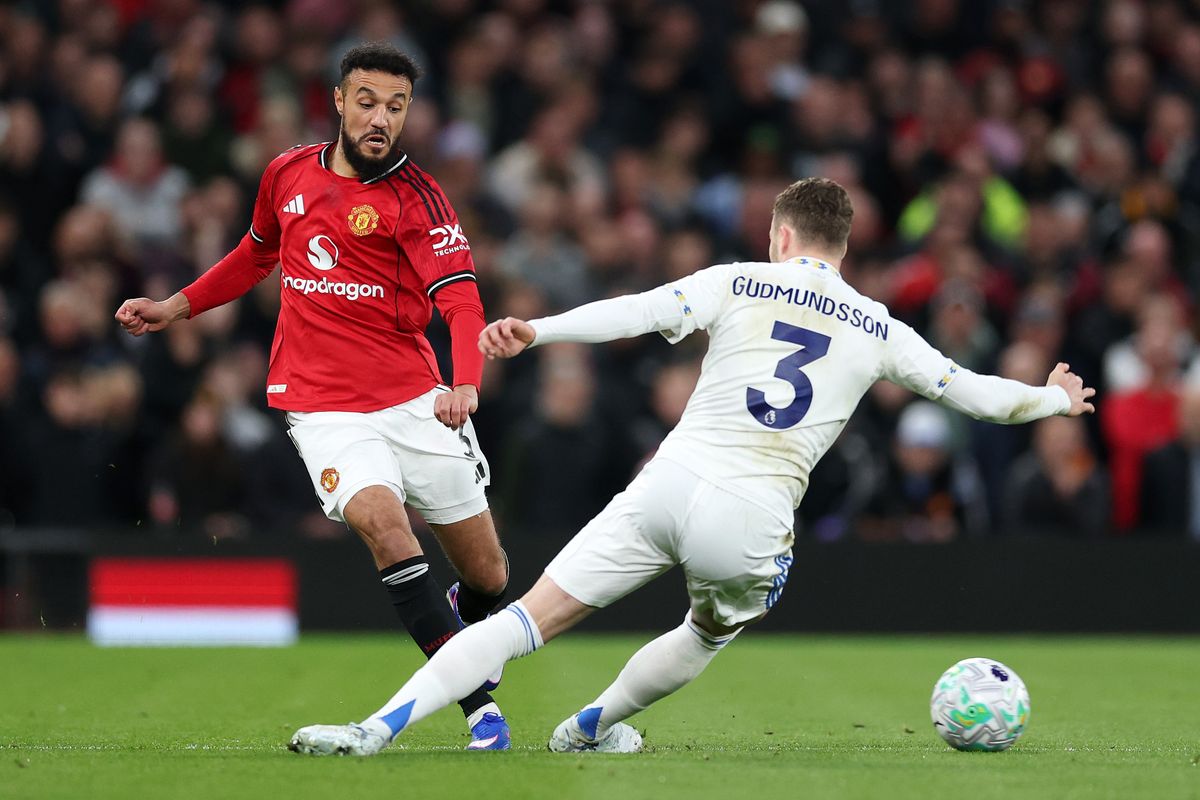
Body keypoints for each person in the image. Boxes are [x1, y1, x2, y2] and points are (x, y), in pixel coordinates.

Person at [289, 178, 1095, 756]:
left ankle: (373, 730)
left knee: (524, 621)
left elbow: (639, 312)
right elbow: (976, 395)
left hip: (668, 482)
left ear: (781, 237)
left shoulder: (738, 279)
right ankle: (591, 727)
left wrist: (539, 329)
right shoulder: (878, 326)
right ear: (842, 248)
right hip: (752, 517)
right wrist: (1053, 400)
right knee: (708, 629)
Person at [114, 43, 513, 750]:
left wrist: (464, 383)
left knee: (489, 575)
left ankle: (458, 615)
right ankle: (480, 708)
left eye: (396, 106)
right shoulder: (286, 173)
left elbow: (460, 301)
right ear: (338, 101)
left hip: (415, 398)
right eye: (367, 101)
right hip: (322, 404)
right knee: (387, 528)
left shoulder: (419, 199)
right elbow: (256, 253)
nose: (380, 118)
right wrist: (177, 306)